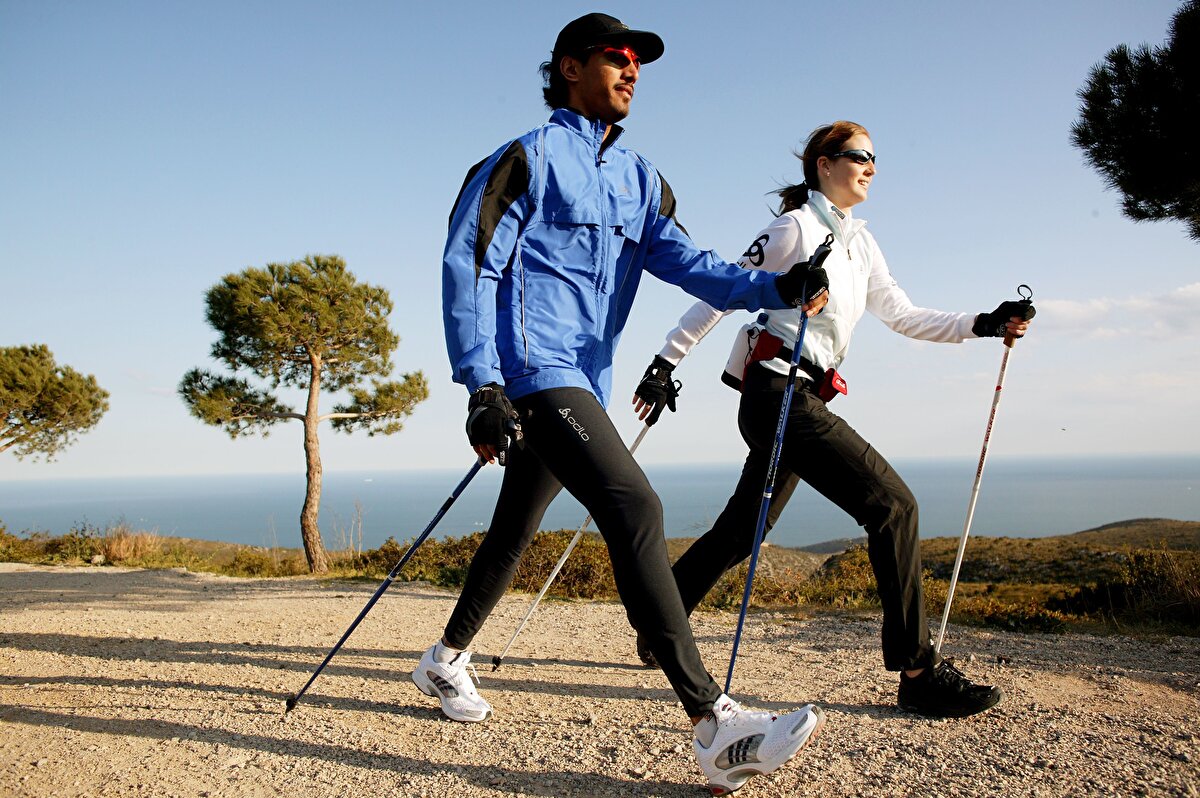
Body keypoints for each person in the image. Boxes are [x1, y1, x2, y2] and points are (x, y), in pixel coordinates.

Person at [417, 13, 829, 794]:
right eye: (617, 56)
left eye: (639, 60)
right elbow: (467, 265)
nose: (633, 69)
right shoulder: (523, 160)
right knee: (636, 507)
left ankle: (444, 661)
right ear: (570, 67)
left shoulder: (642, 178)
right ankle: (714, 724)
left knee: (512, 532)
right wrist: (480, 385)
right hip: (535, 374)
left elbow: (689, 262)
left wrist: (774, 288)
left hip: (585, 380)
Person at [632, 120, 1036, 720]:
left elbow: (903, 315)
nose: (871, 166)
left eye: (875, 158)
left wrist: (984, 321)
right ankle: (918, 672)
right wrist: (665, 361)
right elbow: (724, 290)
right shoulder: (794, 228)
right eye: (859, 156)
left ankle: (659, 624)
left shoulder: (862, 243)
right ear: (824, 164)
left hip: (805, 398)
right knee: (893, 506)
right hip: (776, 394)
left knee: (744, 529)